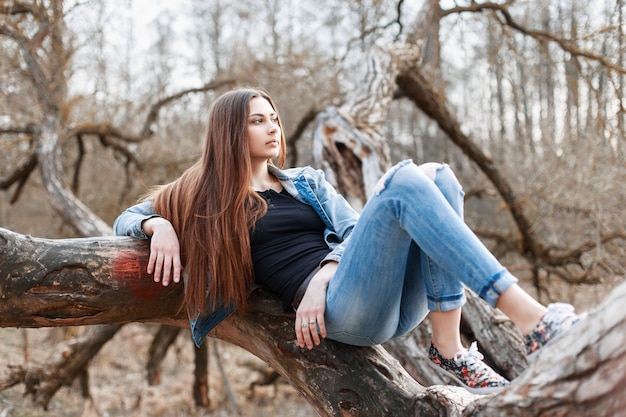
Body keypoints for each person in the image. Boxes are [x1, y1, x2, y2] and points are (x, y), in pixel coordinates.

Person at [114, 87, 583, 394]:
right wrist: (161, 227)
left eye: (275, 117)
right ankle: (536, 323)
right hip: (345, 314)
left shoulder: (307, 182)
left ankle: (449, 348)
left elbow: (358, 231)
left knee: (437, 175)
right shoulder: (203, 198)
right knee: (402, 180)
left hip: (363, 291)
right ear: (230, 130)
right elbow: (127, 219)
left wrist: (325, 273)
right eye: (259, 120)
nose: (274, 126)